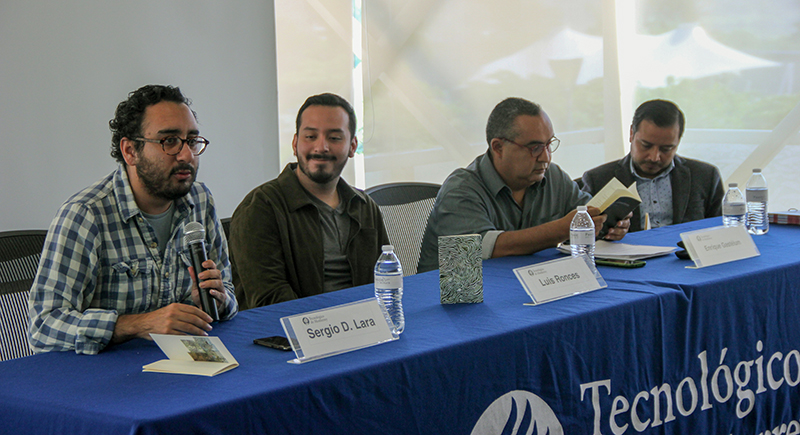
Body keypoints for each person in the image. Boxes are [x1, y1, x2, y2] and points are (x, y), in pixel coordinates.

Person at [28, 85, 238, 355]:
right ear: (130, 151)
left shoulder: (200, 201)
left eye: (192, 141)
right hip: (104, 382)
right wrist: (136, 325)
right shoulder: (85, 214)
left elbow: (229, 293)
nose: (187, 155)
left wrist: (218, 301)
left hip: (183, 366)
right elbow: (43, 326)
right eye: (169, 141)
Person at [417, 97, 630, 273]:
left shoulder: (552, 176)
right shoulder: (461, 189)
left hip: (527, 290)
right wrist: (562, 229)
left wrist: (605, 225)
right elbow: (489, 248)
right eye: (535, 147)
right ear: (498, 147)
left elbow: (585, 213)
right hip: (454, 304)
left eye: (549, 145)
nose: (546, 157)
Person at [229, 93, 389, 309]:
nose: (321, 147)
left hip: (364, 328)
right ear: (295, 143)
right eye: (310, 136)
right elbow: (269, 300)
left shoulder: (365, 206)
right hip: (295, 336)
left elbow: (385, 282)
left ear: (352, 146)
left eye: (334, 138)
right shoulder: (260, 208)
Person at [581, 99, 724, 232]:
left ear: (679, 141)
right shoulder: (598, 180)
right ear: (631, 134)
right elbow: (582, 236)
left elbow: (721, 231)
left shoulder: (705, 176)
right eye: (646, 145)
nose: (654, 157)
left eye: (666, 149)